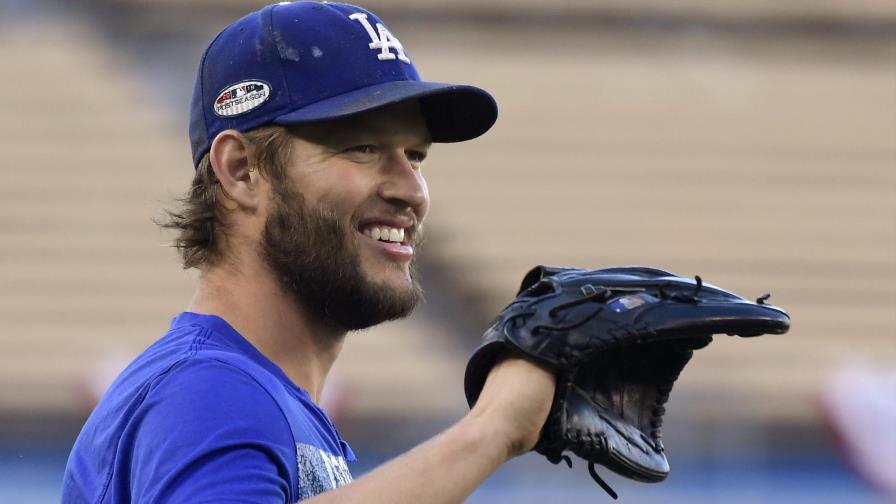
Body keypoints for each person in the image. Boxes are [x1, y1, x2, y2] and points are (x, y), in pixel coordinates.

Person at [61, 2, 556, 503]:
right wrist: (493, 429)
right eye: (363, 148)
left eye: (414, 156)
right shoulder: (210, 394)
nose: (413, 190)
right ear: (241, 170)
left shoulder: (252, 394)